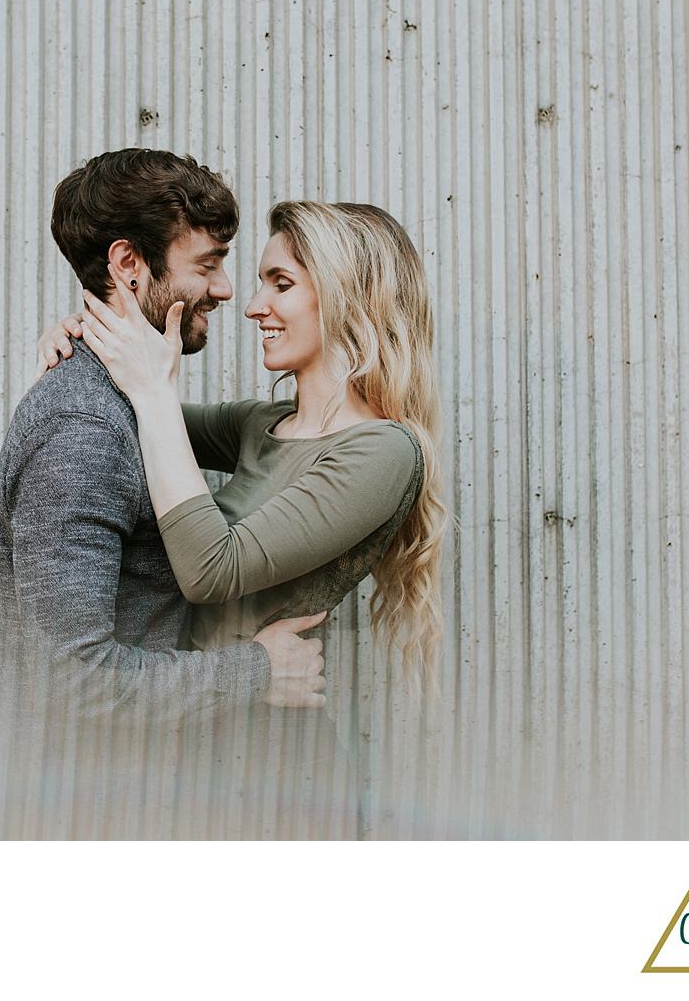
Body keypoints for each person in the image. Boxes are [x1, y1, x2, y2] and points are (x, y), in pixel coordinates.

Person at [37, 200, 448, 836]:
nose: (254, 305)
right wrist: (90, 342)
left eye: (279, 284)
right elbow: (128, 412)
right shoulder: (262, 425)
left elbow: (211, 568)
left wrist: (149, 387)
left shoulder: (383, 453)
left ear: (350, 297)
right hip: (188, 753)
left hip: (276, 777)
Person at [0, 149, 329, 839]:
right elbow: (74, 681)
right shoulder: (83, 429)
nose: (228, 289)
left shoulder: (127, 405)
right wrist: (257, 672)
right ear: (129, 265)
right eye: (207, 263)